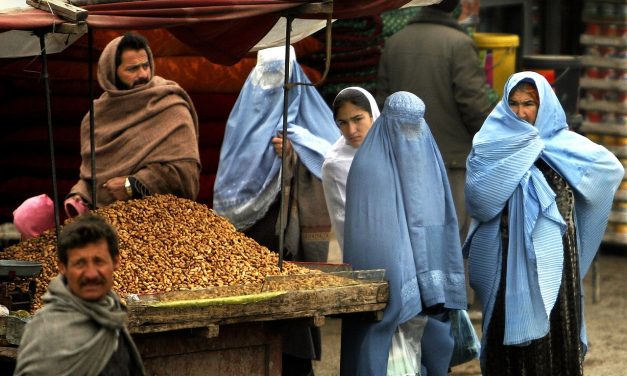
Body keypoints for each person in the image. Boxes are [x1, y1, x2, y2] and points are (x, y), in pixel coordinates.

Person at [464, 71, 624, 375]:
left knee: (553, 337)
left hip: (555, 261)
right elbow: (480, 201)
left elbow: (608, 171)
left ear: (545, 105)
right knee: (505, 341)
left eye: (529, 103)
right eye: (513, 103)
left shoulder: (563, 144)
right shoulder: (490, 142)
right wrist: (522, 157)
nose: (521, 112)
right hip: (505, 257)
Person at [213, 45, 340, 376]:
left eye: (279, 75)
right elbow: (231, 169)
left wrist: (297, 152)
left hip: (289, 238)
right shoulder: (243, 114)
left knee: (291, 325)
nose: (271, 83)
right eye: (266, 74)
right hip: (246, 237)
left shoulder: (308, 112)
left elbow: (336, 159)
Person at [341, 91, 468, 376]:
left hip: (427, 293)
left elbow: (438, 224)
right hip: (391, 284)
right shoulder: (369, 167)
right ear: (386, 123)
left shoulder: (428, 159)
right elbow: (376, 239)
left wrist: (432, 282)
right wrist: (405, 286)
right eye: (402, 127)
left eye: (414, 127)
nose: (409, 135)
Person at [376, 0, 491, 240]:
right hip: (452, 162)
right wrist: (491, 141)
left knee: (412, 240)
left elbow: (383, 104)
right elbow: (473, 105)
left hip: (403, 160)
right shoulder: (459, 44)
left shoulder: (395, 42)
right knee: (452, 242)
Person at [64, 32, 201, 217]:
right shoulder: (95, 118)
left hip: (164, 222)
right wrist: (79, 194)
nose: (143, 74)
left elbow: (186, 175)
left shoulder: (170, 105)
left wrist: (133, 184)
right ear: (111, 72)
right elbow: (92, 177)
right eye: (132, 69)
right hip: (107, 225)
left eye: (145, 66)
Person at [14, 214, 145, 375]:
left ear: (116, 261)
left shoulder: (113, 313)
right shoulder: (47, 331)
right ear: (62, 267)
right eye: (79, 263)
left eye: (99, 261)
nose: (90, 274)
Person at [321, 87, 380, 255]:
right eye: (343, 123)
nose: (351, 130)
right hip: (367, 252)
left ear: (372, 116)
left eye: (357, 119)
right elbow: (345, 222)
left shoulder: (392, 148)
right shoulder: (335, 164)